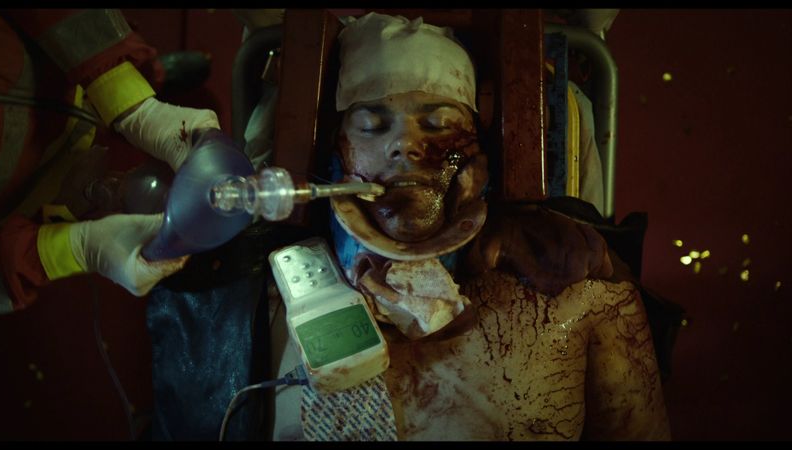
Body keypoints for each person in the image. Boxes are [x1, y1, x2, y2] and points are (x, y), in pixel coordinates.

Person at [271, 12, 670, 441]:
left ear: (481, 154)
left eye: (440, 124)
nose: (405, 144)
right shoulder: (269, 307)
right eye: (370, 126)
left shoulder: (585, 299)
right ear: (337, 155)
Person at [0, 9, 219, 316]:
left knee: (114, 79)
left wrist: (134, 104)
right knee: (97, 190)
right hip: (29, 189)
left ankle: (136, 78)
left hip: (44, 60)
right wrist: (74, 249)